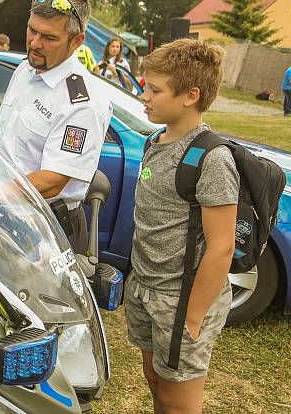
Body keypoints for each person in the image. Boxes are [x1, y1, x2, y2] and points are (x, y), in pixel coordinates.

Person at [127, 39, 237, 414]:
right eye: (146, 86)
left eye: (155, 90)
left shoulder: (212, 158)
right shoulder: (153, 141)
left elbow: (222, 246)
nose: (145, 95)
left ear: (191, 95)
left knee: (179, 404)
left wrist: (193, 316)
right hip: (145, 289)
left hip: (181, 300)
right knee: (156, 382)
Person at [0, 0, 113, 253]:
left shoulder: (83, 101)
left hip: (46, 230)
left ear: (77, 41)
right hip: (3, 213)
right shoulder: (25, 69)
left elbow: (53, 180)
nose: (34, 43)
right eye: (32, 30)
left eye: (49, 37)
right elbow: (6, 144)